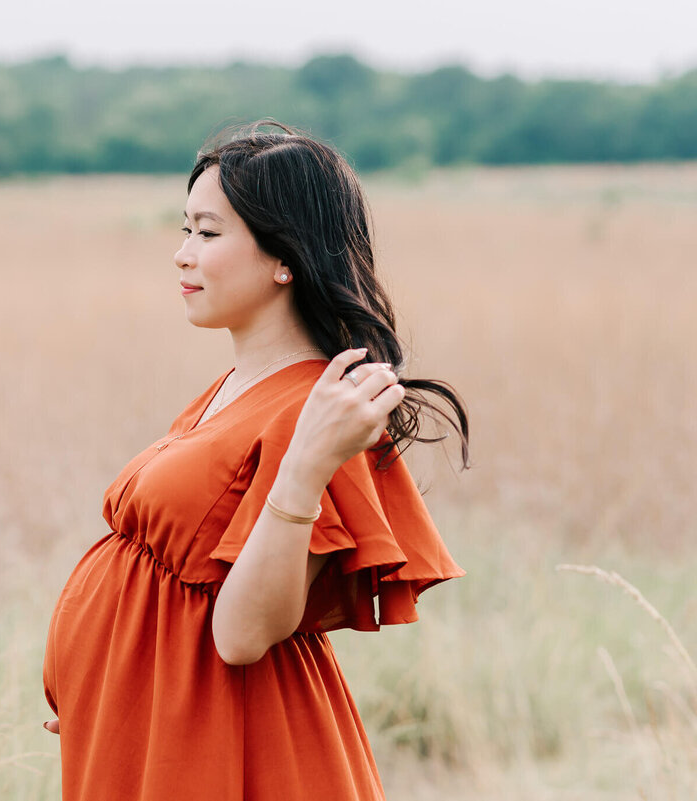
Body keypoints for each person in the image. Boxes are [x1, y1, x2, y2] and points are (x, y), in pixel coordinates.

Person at [41, 121, 470, 800]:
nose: (183, 254)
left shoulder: (322, 411)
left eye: (208, 234)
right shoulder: (237, 389)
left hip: (228, 740)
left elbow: (243, 633)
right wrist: (105, 674)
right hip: (155, 724)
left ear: (284, 257)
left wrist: (305, 468)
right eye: (184, 230)